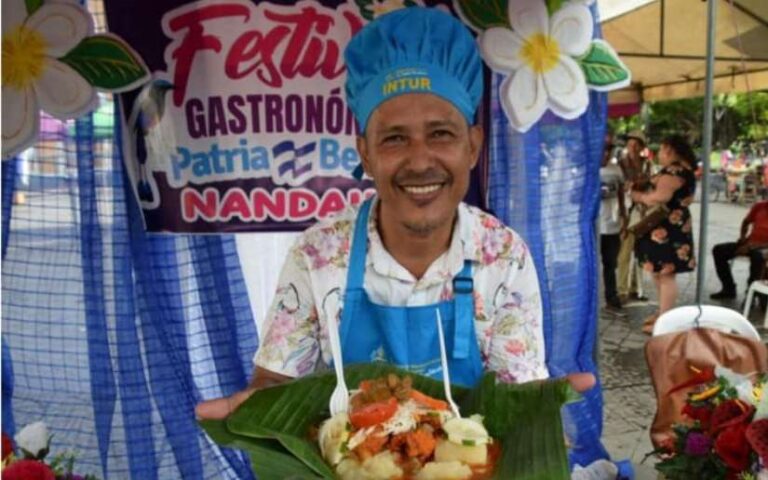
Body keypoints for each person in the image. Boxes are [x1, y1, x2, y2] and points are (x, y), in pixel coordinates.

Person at [196, 7, 594, 421]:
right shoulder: (317, 254)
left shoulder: (504, 256)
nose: (420, 161)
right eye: (394, 139)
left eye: (441, 133)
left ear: (472, 146)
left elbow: (518, 402)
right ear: (365, 154)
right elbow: (277, 382)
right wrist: (262, 406)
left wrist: (539, 421)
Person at [630, 135, 697, 334]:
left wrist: (638, 196)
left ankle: (666, 320)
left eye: (660, 150)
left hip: (668, 228)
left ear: (669, 149)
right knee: (659, 273)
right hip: (669, 225)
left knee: (666, 274)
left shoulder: (675, 171)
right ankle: (663, 314)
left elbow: (660, 197)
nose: (658, 154)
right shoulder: (684, 170)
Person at [617, 130, 651, 303]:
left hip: (643, 212)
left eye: (637, 143)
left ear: (642, 147)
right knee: (624, 253)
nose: (633, 146)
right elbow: (623, 189)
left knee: (640, 253)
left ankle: (636, 288)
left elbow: (651, 185)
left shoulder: (647, 164)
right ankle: (622, 289)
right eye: (630, 143)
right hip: (627, 212)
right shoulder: (621, 164)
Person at [710, 200, 768, 299]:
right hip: (750, 243)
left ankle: (751, 293)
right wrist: (742, 238)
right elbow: (746, 222)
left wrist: (751, 247)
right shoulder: (760, 206)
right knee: (719, 250)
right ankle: (728, 288)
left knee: (757, 257)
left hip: (764, 248)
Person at [599, 134, 626, 313]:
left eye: (607, 152)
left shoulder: (616, 170)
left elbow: (621, 193)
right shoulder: (583, 169)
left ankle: (611, 297)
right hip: (592, 226)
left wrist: (624, 213)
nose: (605, 156)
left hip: (612, 223)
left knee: (610, 263)